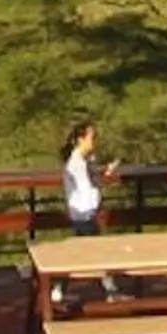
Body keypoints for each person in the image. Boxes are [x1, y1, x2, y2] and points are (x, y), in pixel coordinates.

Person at [54, 120, 121, 313]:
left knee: (82, 254)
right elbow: (89, 189)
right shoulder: (76, 164)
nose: (95, 141)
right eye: (92, 137)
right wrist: (104, 181)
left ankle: (60, 288)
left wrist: (103, 173)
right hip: (83, 215)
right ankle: (110, 291)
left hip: (86, 214)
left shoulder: (85, 161)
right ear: (80, 139)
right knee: (93, 253)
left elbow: (94, 182)